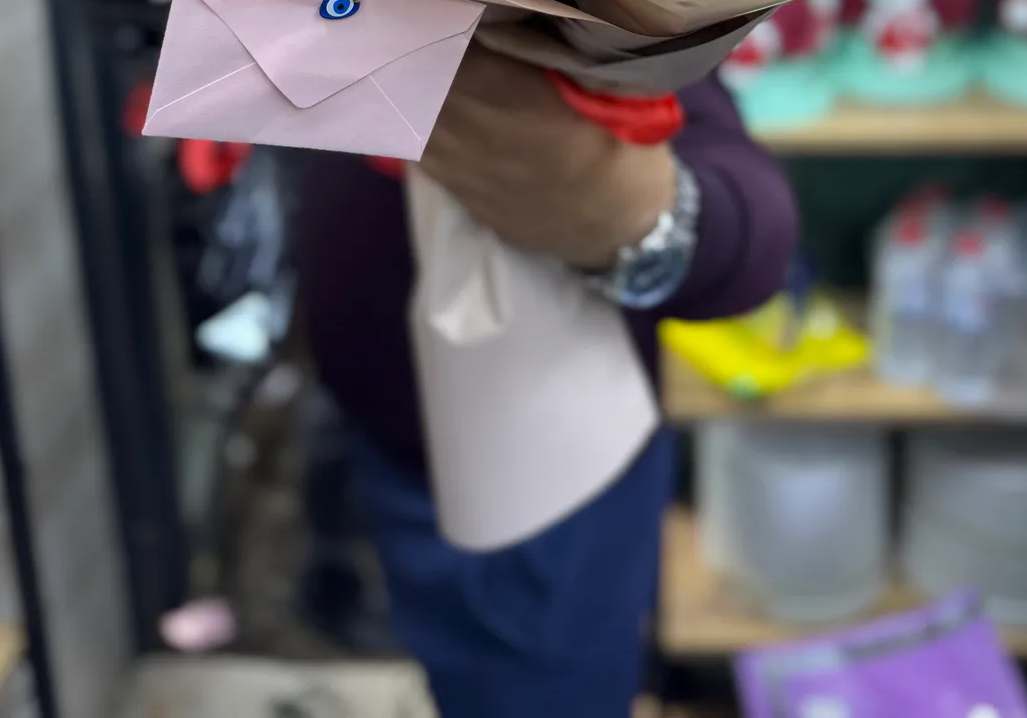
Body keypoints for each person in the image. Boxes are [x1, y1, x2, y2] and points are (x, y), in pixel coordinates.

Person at [298, 46, 797, 717]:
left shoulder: (563, 21)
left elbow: (753, 226)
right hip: (391, 434)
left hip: (555, 474)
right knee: (461, 674)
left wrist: (636, 215)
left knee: (550, 684)